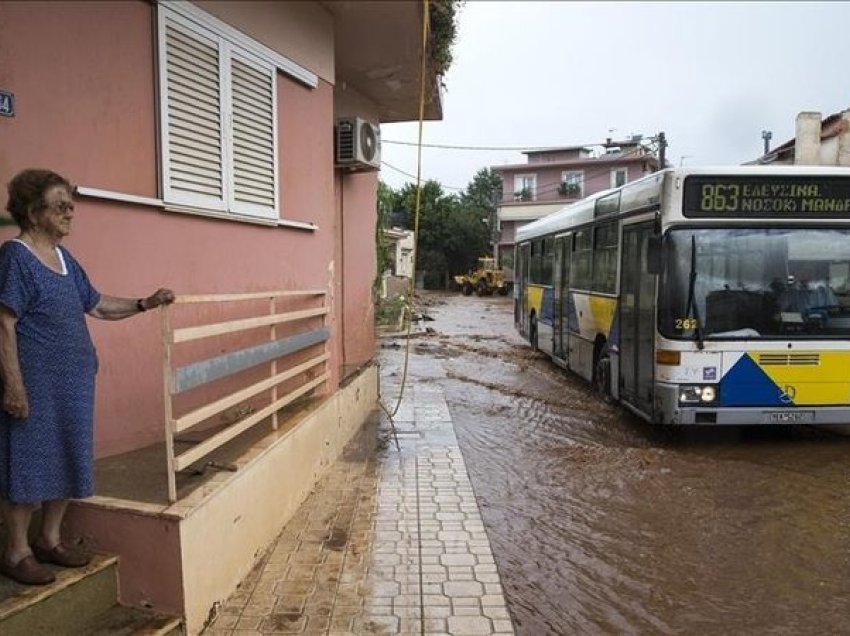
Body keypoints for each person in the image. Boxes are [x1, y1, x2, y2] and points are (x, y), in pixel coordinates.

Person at [0, 169, 175, 586]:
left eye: (71, 205)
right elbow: (4, 323)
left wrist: (144, 303)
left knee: (67, 455)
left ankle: (49, 539)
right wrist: (13, 384)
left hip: (73, 384)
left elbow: (96, 306)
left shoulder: (65, 260)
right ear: (33, 211)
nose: (70, 212)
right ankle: (16, 551)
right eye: (60, 205)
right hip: (35, 384)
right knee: (25, 464)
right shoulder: (15, 257)